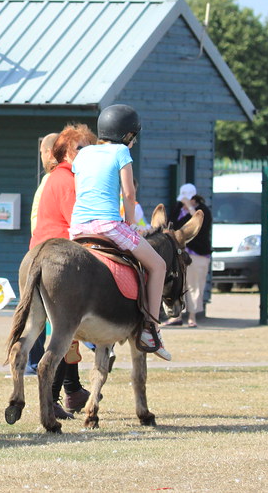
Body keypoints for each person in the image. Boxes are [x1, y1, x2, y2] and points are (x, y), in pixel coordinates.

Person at [69, 104, 171, 361]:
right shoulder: (121, 152)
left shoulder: (82, 154)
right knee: (158, 265)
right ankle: (150, 328)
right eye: (133, 136)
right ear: (127, 135)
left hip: (78, 227)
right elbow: (129, 193)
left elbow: (80, 189)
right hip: (108, 225)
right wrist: (129, 222)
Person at [30, 122, 98, 418]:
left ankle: (70, 391)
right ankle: (56, 396)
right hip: (62, 254)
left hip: (41, 250)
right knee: (64, 331)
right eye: (82, 149)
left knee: (62, 331)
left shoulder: (54, 177)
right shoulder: (68, 180)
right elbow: (77, 222)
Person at [26, 132, 59, 375]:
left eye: (41, 152)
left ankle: (34, 362)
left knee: (36, 310)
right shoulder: (53, 179)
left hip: (42, 250)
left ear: (48, 152)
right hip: (43, 248)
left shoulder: (52, 179)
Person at [167, 183, 213, 328]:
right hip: (179, 253)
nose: (185, 203)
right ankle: (176, 316)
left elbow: (198, 225)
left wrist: (191, 209)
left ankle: (192, 317)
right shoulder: (178, 209)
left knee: (194, 286)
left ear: (194, 198)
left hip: (197, 254)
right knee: (178, 284)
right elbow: (171, 225)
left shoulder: (202, 210)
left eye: (188, 200)